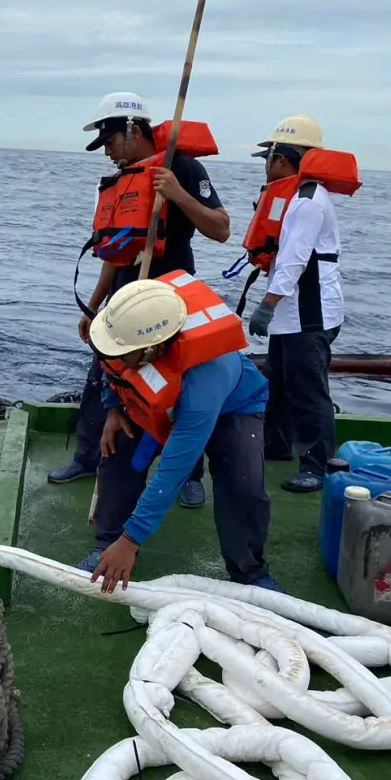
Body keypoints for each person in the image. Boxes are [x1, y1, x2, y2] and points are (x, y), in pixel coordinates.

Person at [50, 91, 231, 509]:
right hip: (123, 299)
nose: (108, 154)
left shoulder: (182, 168)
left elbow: (221, 229)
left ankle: (189, 472)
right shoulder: (122, 181)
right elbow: (114, 252)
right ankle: (88, 456)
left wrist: (178, 194)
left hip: (170, 297)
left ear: (132, 131)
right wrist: (94, 307)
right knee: (103, 376)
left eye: (110, 143)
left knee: (179, 383)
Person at [80, 270, 284, 594]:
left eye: (123, 353)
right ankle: (107, 543)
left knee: (244, 484)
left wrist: (133, 539)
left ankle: (249, 572)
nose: (114, 356)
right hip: (157, 404)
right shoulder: (126, 331)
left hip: (233, 409)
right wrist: (113, 409)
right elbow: (113, 367)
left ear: (152, 349)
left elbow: (173, 466)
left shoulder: (206, 378)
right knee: (118, 450)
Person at [242, 115, 360, 493]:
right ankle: (277, 444)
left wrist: (266, 304)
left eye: (268, 156)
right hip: (290, 316)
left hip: (309, 314)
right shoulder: (297, 196)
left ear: (283, 157)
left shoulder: (308, 200)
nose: (266, 164)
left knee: (309, 391)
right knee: (278, 382)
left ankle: (319, 464)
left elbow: (294, 259)